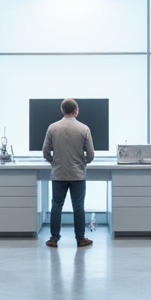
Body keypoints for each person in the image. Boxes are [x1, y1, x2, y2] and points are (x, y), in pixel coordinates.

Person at [42, 97, 95, 247]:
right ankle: (80, 238)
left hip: (59, 173)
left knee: (57, 205)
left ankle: (54, 239)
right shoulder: (84, 128)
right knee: (78, 206)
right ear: (76, 110)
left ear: (62, 110)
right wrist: (83, 162)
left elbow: (45, 151)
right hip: (77, 174)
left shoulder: (52, 127)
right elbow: (90, 154)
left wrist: (54, 162)